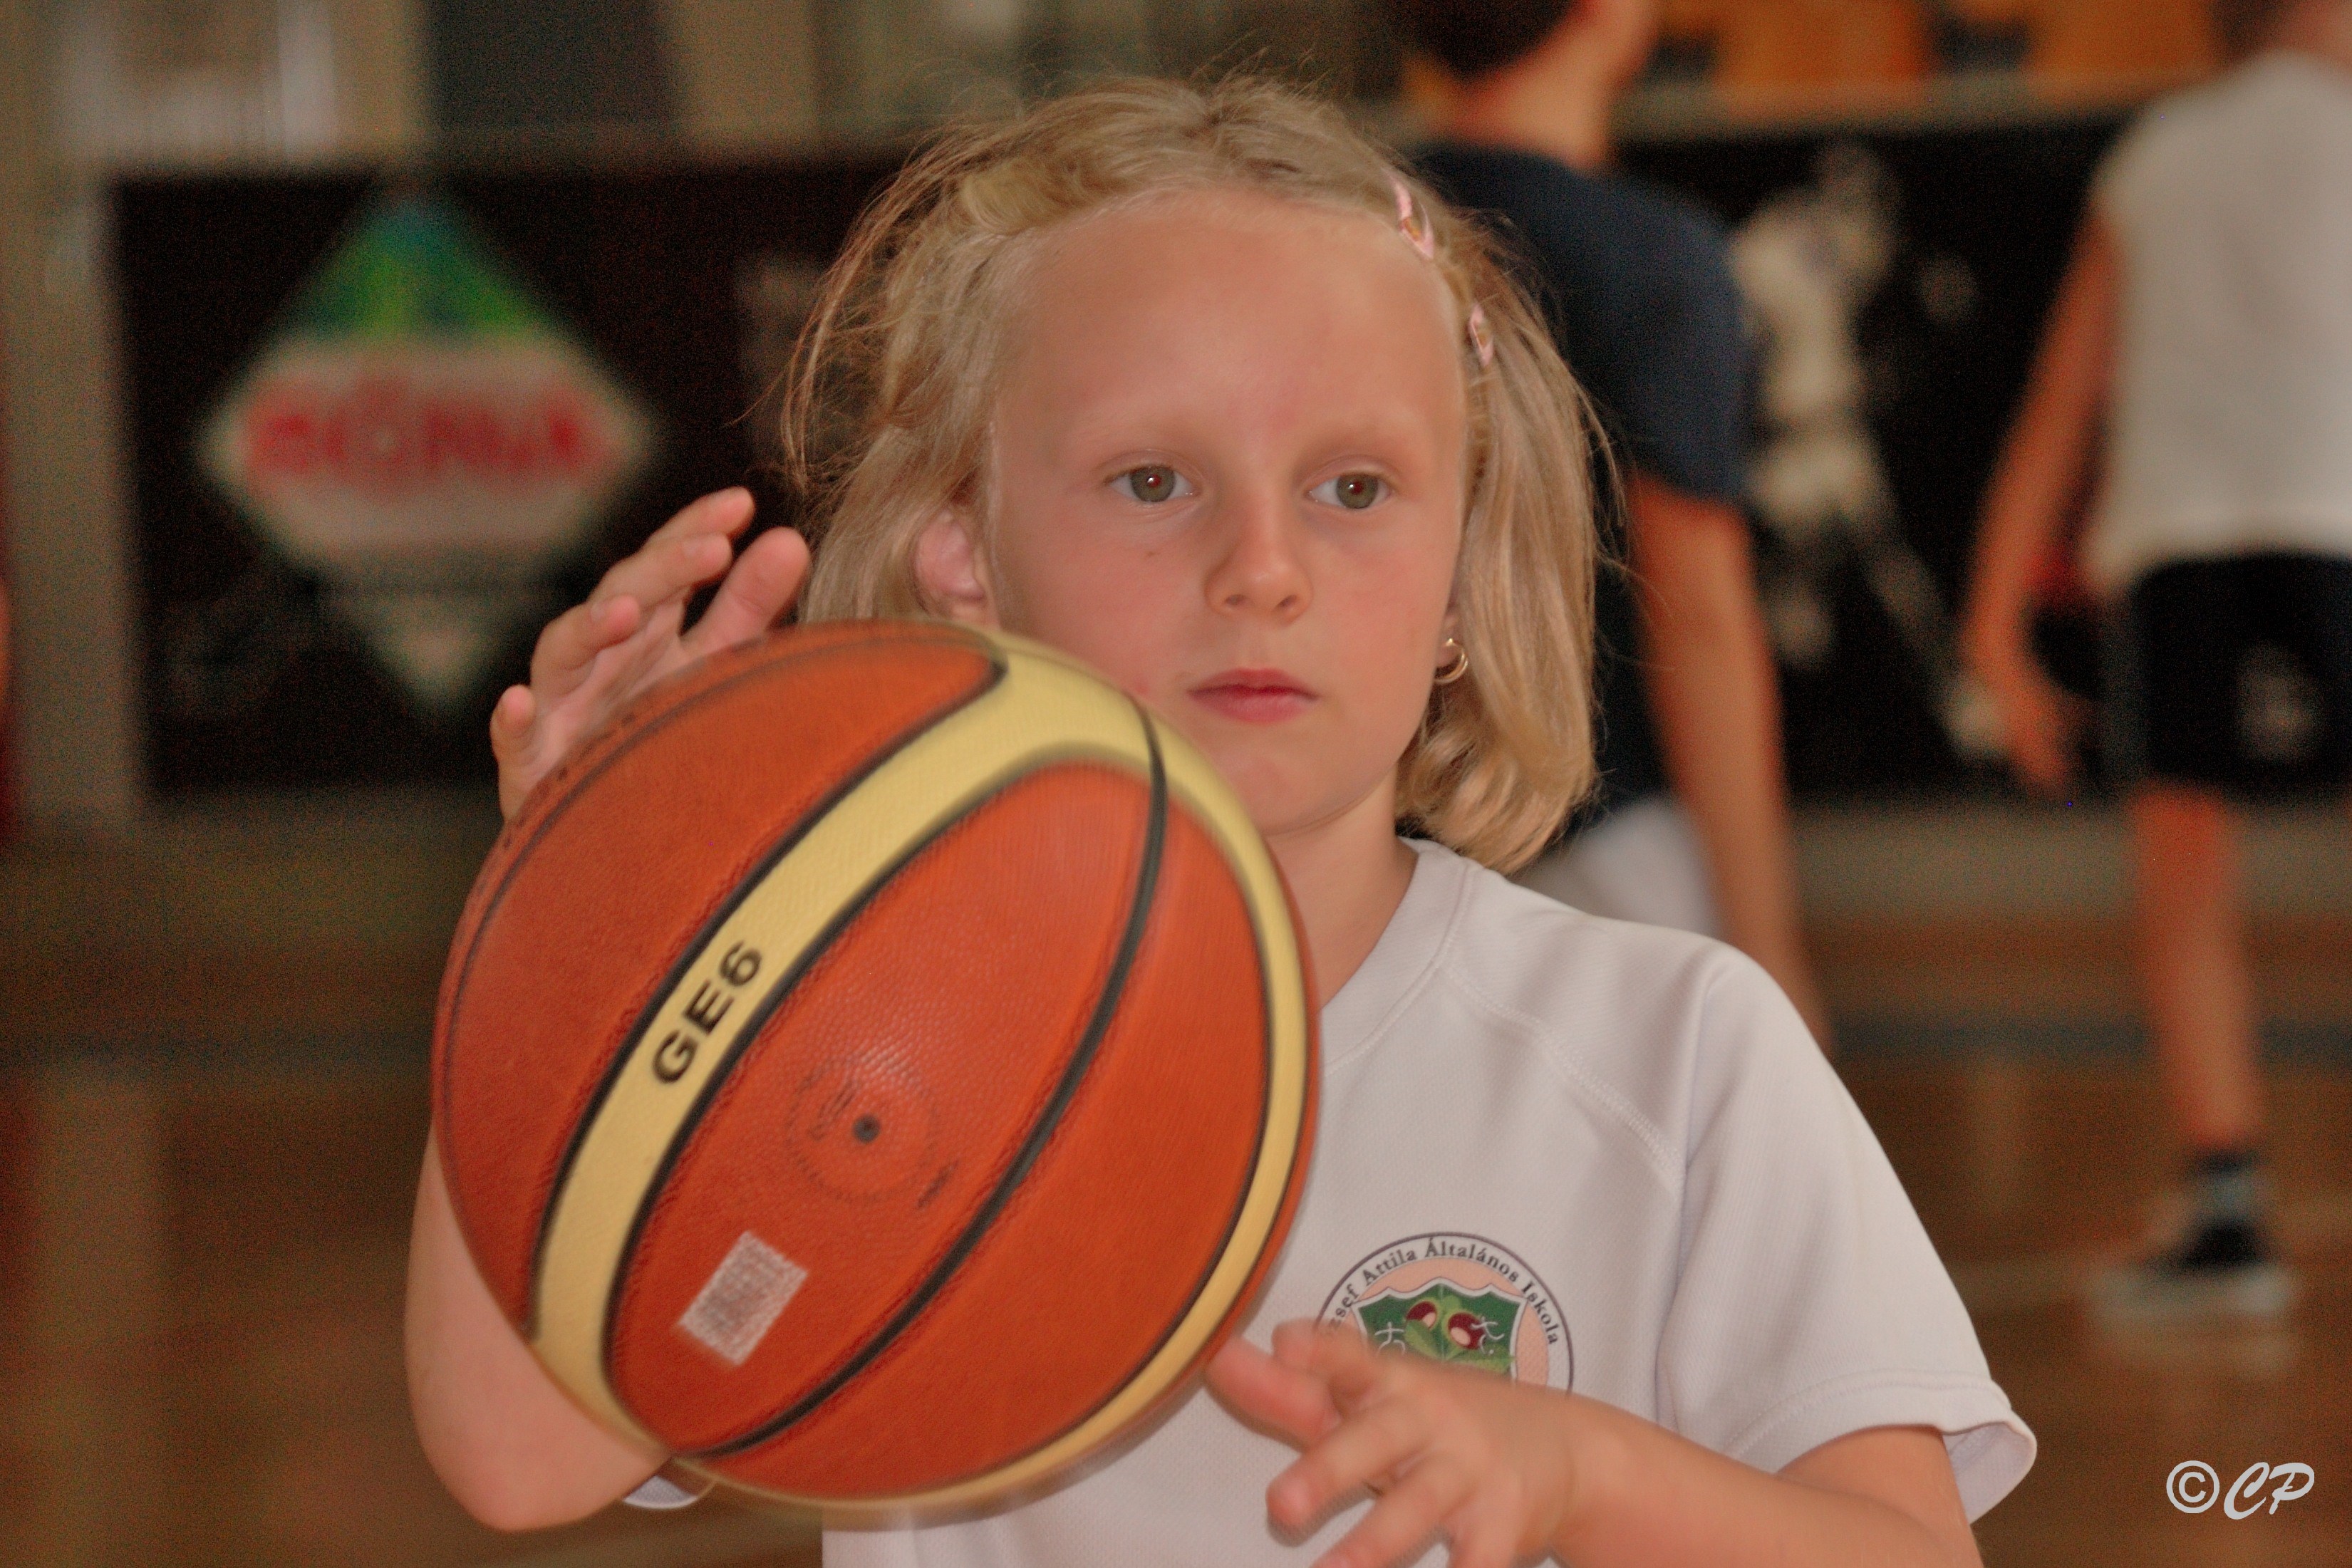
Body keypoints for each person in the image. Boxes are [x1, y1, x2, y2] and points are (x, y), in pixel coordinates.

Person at [409, 78, 2029, 1565]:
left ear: (1460, 570)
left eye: (1353, 489)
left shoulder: (1671, 1052)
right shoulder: (832, 1035)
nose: (1262, 569)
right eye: (1152, 481)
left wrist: (1588, 1476)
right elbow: (516, 1456)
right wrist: (588, 903)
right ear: (963, 552)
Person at [1964, 0, 2352, 1319]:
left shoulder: (2158, 152)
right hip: (2338, 517)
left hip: (2178, 542)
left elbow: (2063, 395)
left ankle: (2227, 1216)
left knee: (2184, 870)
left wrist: (1994, 621)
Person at [1393, 0, 1829, 1044]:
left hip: (1385, 833)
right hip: (1601, 828)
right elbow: (1700, 617)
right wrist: (1768, 945)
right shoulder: (1650, 256)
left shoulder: (1352, 221)